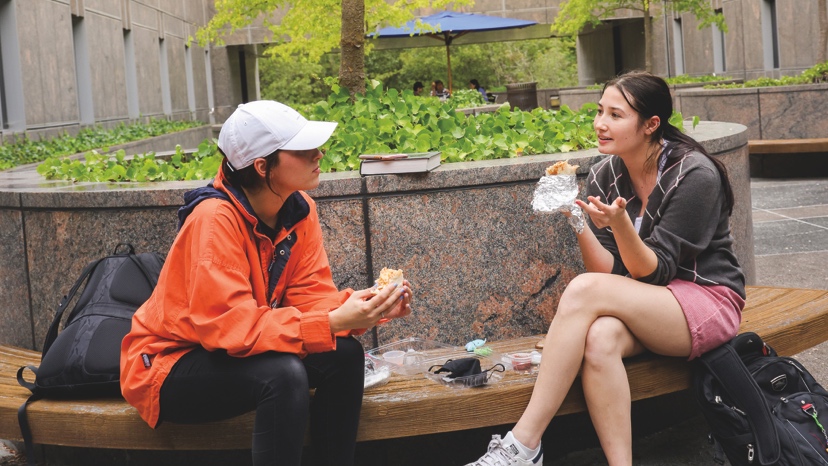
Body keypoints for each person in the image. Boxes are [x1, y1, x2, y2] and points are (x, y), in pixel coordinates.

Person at [465, 71, 745, 466]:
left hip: (705, 299)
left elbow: (658, 270)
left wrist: (621, 225)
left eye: (615, 115)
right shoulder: (605, 172)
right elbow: (612, 272)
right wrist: (576, 216)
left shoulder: (694, 173)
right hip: (648, 304)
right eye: (599, 111)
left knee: (582, 290)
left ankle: (522, 445)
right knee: (598, 339)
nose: (600, 124)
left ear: (650, 125)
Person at [120, 100, 413, 466]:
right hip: (169, 364)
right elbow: (231, 328)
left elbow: (311, 300)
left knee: (345, 356)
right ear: (262, 167)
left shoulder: (298, 209)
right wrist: (333, 321)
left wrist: (366, 307)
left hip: (230, 350)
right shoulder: (213, 221)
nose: (319, 154)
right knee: (283, 375)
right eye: (304, 150)